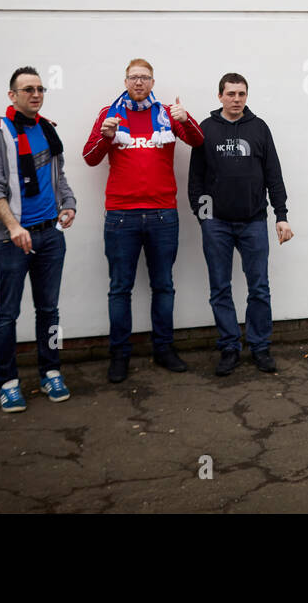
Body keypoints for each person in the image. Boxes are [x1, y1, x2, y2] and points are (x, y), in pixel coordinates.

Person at [83, 59, 203, 383]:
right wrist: (107, 136)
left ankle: (163, 349)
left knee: (163, 286)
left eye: (144, 77)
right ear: (125, 80)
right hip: (121, 216)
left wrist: (186, 118)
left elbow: (197, 140)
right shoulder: (110, 114)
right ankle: (119, 356)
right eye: (133, 77)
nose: (138, 82)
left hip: (163, 214)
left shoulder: (166, 112)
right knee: (119, 289)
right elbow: (89, 157)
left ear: (152, 81)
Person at [0, 67, 77, 413]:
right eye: (27, 89)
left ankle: (51, 372)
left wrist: (69, 203)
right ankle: (8, 383)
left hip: (50, 236)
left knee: (48, 310)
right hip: (11, 242)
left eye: (40, 88)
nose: (35, 94)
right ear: (12, 95)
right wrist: (13, 227)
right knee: (7, 314)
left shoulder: (47, 129)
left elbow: (58, 175)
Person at [188, 73, 292, 375]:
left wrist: (281, 215)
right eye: (231, 94)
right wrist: (203, 217)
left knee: (259, 288)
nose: (236, 99)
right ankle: (230, 347)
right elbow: (196, 179)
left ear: (247, 96)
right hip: (217, 224)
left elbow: (274, 174)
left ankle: (260, 347)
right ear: (220, 96)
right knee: (220, 288)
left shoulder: (259, 128)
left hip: (254, 222)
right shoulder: (206, 130)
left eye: (241, 94)